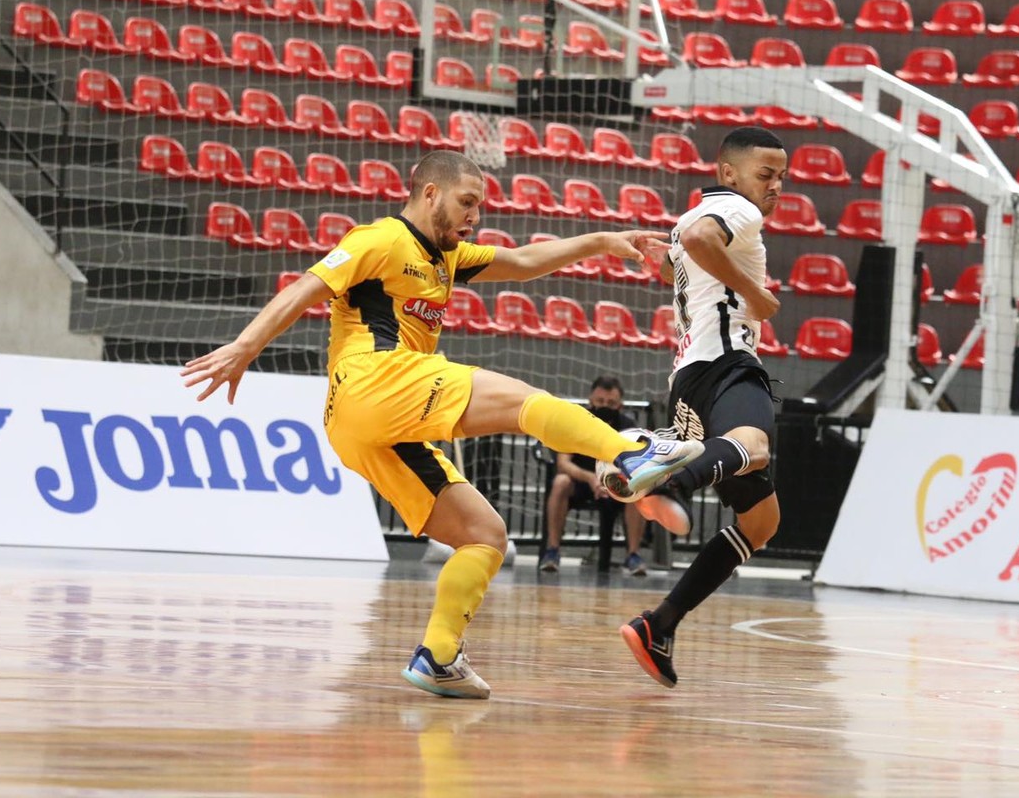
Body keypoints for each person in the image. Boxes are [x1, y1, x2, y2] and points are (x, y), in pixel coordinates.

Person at [181, 150, 704, 699]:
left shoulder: (446, 257)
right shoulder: (380, 239)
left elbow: (525, 262)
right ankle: (628, 452)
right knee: (522, 400)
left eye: (479, 206)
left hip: (364, 426)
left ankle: (439, 655)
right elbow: (304, 289)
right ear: (430, 194)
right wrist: (244, 348)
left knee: (484, 537)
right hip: (372, 379)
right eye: (467, 203)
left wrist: (600, 241)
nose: (475, 215)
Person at [618, 127, 786, 689]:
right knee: (755, 446)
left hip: (688, 379)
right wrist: (759, 297)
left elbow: (689, 257)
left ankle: (659, 625)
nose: (776, 186)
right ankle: (665, 477)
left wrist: (662, 265)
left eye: (781, 176)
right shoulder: (736, 211)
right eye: (766, 174)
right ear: (729, 173)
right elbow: (701, 246)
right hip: (727, 363)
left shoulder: (693, 217)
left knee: (761, 521)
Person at [540, 375, 649, 576]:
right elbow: (563, 463)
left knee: (638, 490)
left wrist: (613, 481)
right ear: (591, 401)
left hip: (617, 485)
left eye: (611, 403)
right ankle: (552, 550)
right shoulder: (577, 422)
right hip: (582, 483)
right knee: (560, 482)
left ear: (620, 405)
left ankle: (633, 555)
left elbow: (637, 465)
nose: (605, 406)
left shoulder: (629, 427)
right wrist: (591, 479)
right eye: (600, 401)